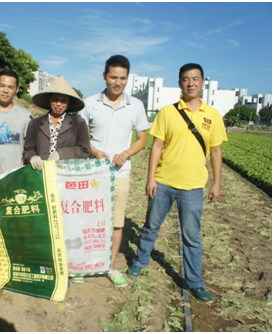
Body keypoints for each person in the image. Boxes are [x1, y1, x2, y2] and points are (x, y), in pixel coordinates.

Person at [127, 63, 227, 304]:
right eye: (185, 79)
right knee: (150, 227)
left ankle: (195, 283)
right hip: (163, 182)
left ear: (203, 82)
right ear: (180, 83)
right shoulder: (167, 112)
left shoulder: (212, 115)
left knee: (191, 236)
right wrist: (151, 178)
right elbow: (157, 147)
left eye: (195, 78)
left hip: (193, 186)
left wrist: (216, 183)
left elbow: (215, 151)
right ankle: (140, 262)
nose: (190, 83)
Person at [79, 55, 149, 287]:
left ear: (127, 78)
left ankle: (109, 266)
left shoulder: (136, 105)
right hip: (92, 173)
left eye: (122, 78)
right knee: (88, 219)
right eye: (113, 77)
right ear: (104, 76)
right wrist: (96, 151)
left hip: (121, 173)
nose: (117, 82)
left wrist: (126, 153)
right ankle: (82, 264)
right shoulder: (89, 103)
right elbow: (80, 137)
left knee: (116, 222)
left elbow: (142, 139)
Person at [0, 69, 32, 271]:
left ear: (16, 90)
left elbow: (29, 147)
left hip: (14, 175)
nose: (5, 90)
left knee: (13, 216)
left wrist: (20, 169)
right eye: (2, 85)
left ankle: (11, 255)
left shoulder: (24, 115)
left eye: (10, 87)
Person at [23, 76, 90, 169]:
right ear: (49, 100)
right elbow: (28, 150)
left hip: (66, 174)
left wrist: (60, 154)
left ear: (68, 103)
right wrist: (32, 157)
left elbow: (84, 150)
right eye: (55, 99)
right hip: (40, 173)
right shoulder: (35, 123)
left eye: (63, 101)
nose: (59, 104)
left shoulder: (78, 123)